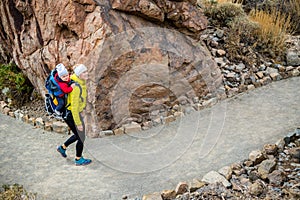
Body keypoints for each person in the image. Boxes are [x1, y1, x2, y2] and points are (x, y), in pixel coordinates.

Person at [56, 64, 92, 166]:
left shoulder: (79, 81)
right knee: (81, 136)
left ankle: (62, 148)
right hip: (71, 114)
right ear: (79, 74)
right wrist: (78, 123)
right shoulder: (76, 87)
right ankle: (78, 159)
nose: (86, 73)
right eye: (83, 72)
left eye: (86, 71)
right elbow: (74, 108)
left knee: (78, 135)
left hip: (71, 113)